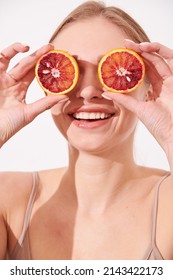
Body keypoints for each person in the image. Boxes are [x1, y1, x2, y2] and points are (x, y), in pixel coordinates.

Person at [0, 0, 173, 260]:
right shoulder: (8, 198)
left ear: (149, 85)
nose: (89, 92)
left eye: (115, 69)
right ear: (47, 85)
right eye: (70, 71)